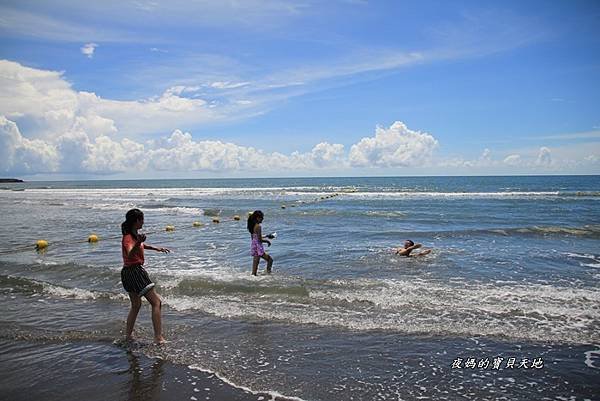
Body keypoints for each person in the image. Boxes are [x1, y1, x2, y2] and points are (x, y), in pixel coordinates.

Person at [120, 208, 170, 344]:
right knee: (156, 303)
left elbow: (141, 245)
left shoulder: (132, 235)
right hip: (135, 272)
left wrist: (155, 248)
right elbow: (130, 252)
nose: (143, 222)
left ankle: (128, 336)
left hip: (127, 272)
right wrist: (138, 242)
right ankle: (158, 338)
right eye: (142, 219)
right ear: (136, 221)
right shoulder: (128, 238)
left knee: (136, 305)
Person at [247, 210, 273, 275]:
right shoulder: (258, 226)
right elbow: (260, 239)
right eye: (262, 217)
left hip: (254, 246)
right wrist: (267, 241)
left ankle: (253, 278)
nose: (263, 219)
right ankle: (268, 274)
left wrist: (266, 236)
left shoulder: (252, 226)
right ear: (257, 218)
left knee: (254, 270)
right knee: (270, 260)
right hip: (258, 247)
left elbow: (255, 237)